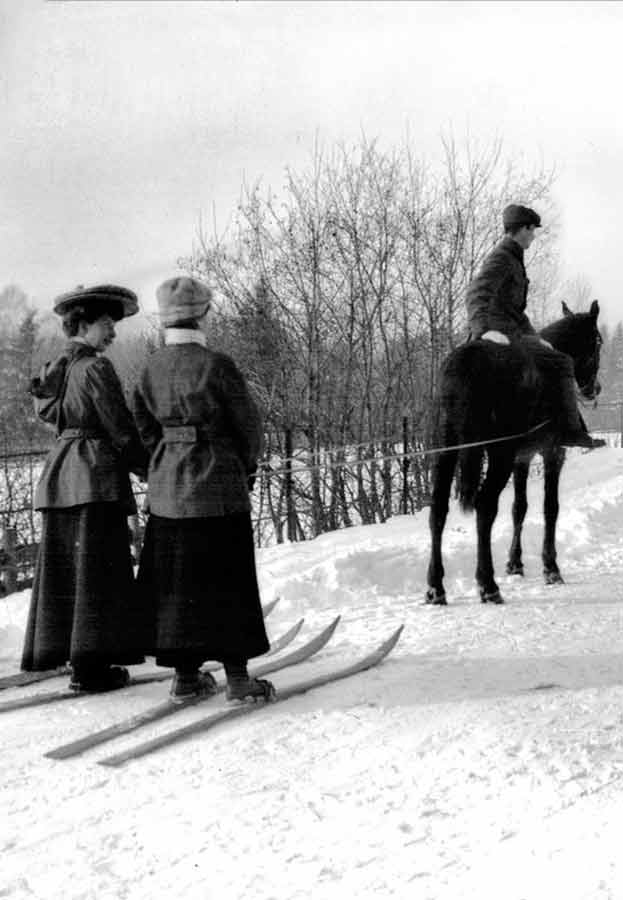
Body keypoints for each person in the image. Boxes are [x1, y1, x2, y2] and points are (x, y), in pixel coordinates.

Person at [133, 276, 275, 702]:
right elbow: (248, 427)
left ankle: (185, 679)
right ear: (204, 313)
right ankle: (238, 680)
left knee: (175, 586)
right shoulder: (218, 365)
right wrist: (244, 468)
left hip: (167, 492)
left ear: (164, 320)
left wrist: (160, 466)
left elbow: (142, 428)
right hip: (219, 485)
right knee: (228, 581)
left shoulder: (149, 368)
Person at [21, 284, 150, 692]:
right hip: (93, 476)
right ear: (86, 324)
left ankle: (74, 661)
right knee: (96, 572)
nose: (113, 333)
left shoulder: (54, 370)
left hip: (59, 476)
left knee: (67, 572)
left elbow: (51, 416)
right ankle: (92, 670)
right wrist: (148, 467)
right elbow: (120, 427)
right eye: (108, 324)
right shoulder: (95, 368)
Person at [465, 203, 605, 450]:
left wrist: (536, 337)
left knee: (546, 354)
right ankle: (571, 432)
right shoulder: (503, 258)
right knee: (561, 362)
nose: (533, 235)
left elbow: (516, 313)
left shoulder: (513, 259)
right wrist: (483, 330)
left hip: (513, 328)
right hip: (501, 331)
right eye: (531, 229)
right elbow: (477, 292)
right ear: (520, 229)